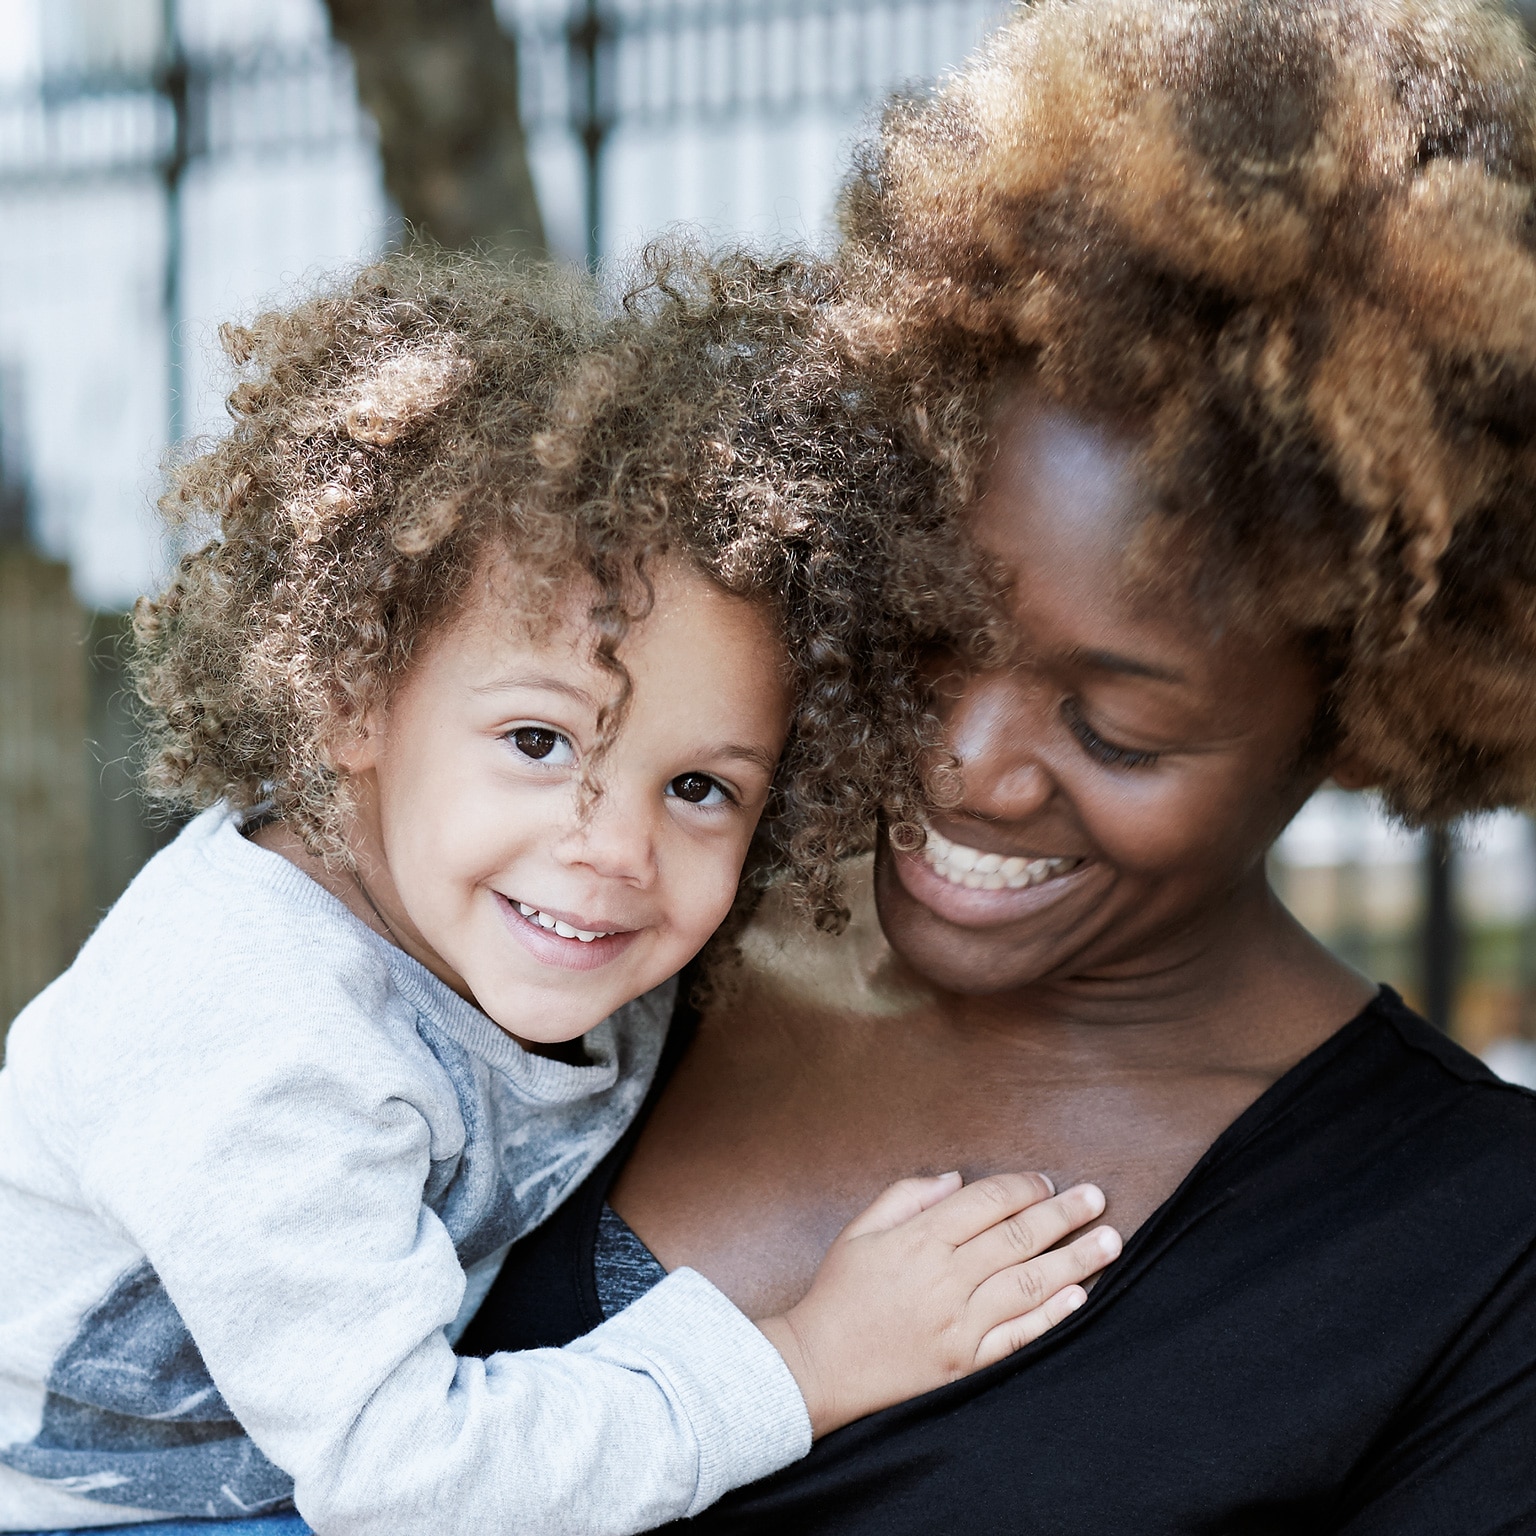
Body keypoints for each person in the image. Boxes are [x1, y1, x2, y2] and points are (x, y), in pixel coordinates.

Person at [463, 1, 1536, 1529]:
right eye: (928, 633)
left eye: (1115, 729)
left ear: (1367, 713)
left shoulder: (1472, 1256)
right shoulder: (616, 917)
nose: (966, 764)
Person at [0, 253, 1120, 1536]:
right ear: (354, 697)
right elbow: (409, 1477)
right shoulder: (257, 1030)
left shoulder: (532, 919)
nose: (616, 849)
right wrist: (807, 1361)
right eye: (539, 742)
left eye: (699, 786)